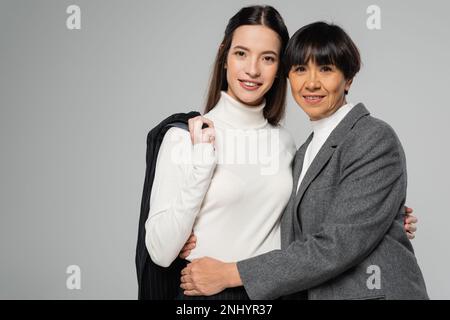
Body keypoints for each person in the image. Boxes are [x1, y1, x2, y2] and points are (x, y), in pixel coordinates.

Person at [179, 21, 428, 300]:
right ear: (288, 77)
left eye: (325, 69)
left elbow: (338, 244)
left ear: (348, 79)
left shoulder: (372, 137)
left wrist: (229, 273)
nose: (311, 83)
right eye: (300, 70)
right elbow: (294, 229)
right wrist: (190, 234)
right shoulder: (303, 152)